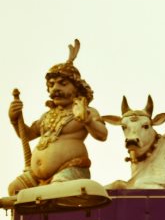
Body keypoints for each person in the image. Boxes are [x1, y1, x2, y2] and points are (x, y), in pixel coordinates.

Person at [7, 39, 108, 195]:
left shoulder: (86, 111)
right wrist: (14, 120)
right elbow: (26, 135)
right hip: (36, 174)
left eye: (62, 83)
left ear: (76, 88)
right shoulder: (47, 115)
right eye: (52, 84)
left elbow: (102, 134)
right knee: (15, 190)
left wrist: (87, 120)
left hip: (70, 171)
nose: (55, 88)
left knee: (53, 191)